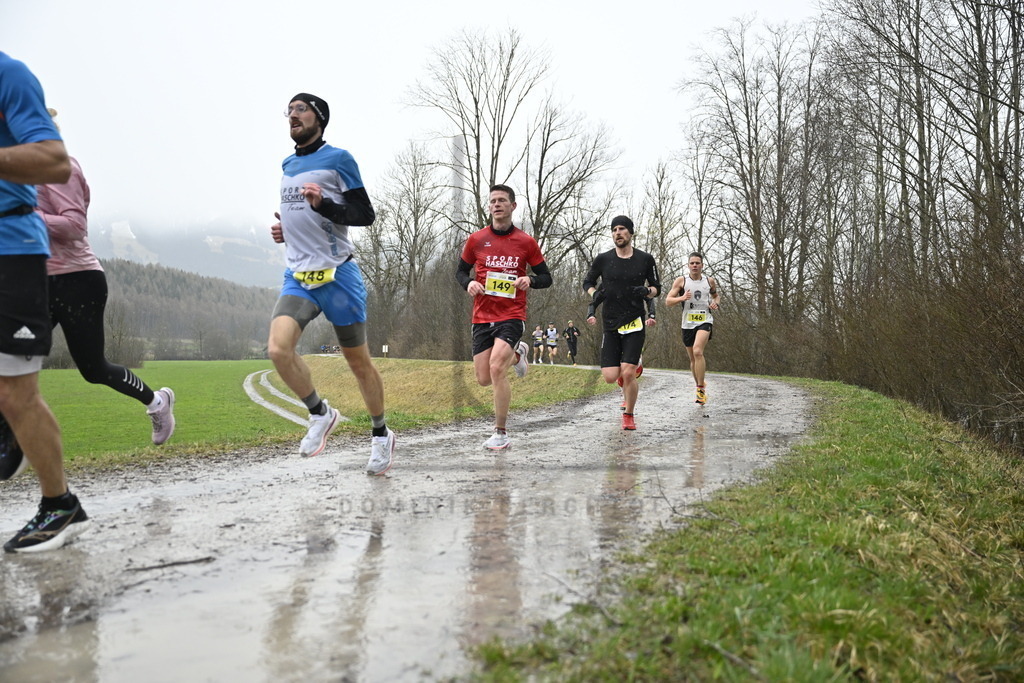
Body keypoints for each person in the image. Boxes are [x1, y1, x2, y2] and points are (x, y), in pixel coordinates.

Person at [268, 93, 394, 475]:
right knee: (277, 349)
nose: (292, 115)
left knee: (358, 364)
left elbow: (364, 214)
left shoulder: (340, 159)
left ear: (319, 118)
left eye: (300, 109)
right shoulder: (288, 164)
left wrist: (324, 206)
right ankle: (320, 413)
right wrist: (286, 230)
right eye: (288, 111)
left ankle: (380, 434)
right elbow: (302, 215)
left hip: (338, 275)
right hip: (299, 276)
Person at [36, 109, 176, 446]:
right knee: (10, 357)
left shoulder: (62, 168)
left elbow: (73, 226)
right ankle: (11, 439)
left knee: (93, 369)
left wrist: (28, 217)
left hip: (78, 280)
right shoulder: (16, 176)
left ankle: (158, 403)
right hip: (37, 281)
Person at [0, 51, 87, 553]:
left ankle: (60, 505)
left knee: (17, 392)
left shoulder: (9, 75)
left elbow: (54, 163)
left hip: (11, 248)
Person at [456, 184, 552, 450]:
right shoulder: (476, 240)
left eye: (501, 201)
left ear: (513, 206)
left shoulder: (526, 242)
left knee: (497, 368)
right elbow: (460, 272)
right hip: (482, 315)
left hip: (511, 314)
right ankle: (518, 354)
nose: (496, 205)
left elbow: (547, 278)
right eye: (492, 201)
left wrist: (529, 280)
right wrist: (468, 284)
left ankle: (501, 432)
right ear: (489, 207)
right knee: (483, 378)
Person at [582, 215, 660, 430]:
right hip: (610, 322)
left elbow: (656, 288)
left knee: (628, 373)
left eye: (622, 229)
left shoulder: (645, 259)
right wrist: (595, 293)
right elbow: (587, 281)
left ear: (630, 233)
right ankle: (631, 368)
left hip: (634, 320)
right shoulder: (603, 259)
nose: (618, 232)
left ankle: (629, 415)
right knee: (610, 377)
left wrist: (647, 291)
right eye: (614, 229)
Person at [666, 251, 720, 405]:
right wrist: (681, 298)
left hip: (705, 320)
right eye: (692, 263)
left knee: (698, 351)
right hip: (687, 322)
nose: (695, 265)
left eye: (697, 263)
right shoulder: (681, 281)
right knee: (692, 358)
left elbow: (716, 296)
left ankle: (701, 390)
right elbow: (668, 301)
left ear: (702, 265)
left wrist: (716, 303)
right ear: (688, 265)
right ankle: (699, 385)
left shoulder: (709, 281)